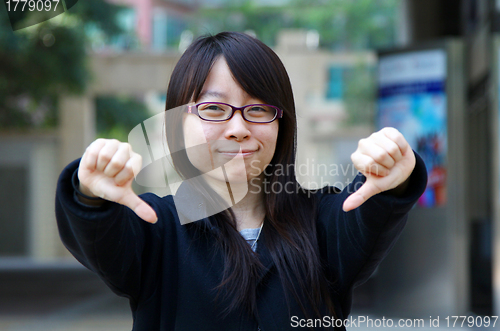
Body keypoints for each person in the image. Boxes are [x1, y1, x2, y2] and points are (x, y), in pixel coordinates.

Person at [55, 32, 427, 331]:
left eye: (260, 109)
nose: (238, 128)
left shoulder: (326, 219)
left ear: (283, 124)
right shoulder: (155, 227)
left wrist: (392, 178)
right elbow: (104, 238)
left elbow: (367, 213)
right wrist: (89, 196)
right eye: (213, 108)